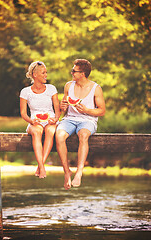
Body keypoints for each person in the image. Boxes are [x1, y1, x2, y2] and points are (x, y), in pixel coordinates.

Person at [56, 59, 105, 189]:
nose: (71, 73)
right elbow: (64, 109)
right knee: (59, 136)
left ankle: (79, 172)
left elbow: (102, 110)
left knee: (83, 135)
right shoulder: (68, 86)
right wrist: (62, 106)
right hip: (69, 119)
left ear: (82, 73)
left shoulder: (96, 88)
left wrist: (87, 110)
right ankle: (67, 172)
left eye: (74, 71)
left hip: (88, 120)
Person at [20, 61, 60, 178]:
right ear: (35, 75)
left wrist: (56, 118)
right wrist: (31, 121)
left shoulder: (51, 88)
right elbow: (23, 113)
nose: (46, 75)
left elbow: (57, 109)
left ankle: (40, 166)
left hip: (51, 120)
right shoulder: (25, 91)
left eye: (46, 72)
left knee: (50, 131)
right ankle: (42, 167)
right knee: (37, 132)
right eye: (43, 73)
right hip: (34, 121)